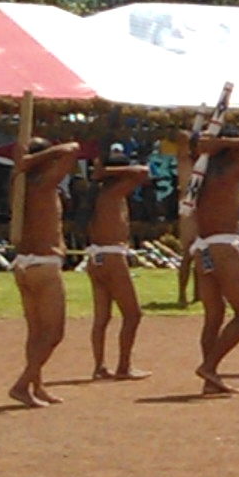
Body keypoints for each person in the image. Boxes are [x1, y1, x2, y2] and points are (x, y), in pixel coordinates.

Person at [188, 130, 239, 396]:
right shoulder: (226, 174)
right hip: (222, 246)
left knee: (214, 316)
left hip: (202, 248)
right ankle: (210, 367)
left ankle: (211, 380)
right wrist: (224, 143)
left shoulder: (199, 175)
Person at [6, 136, 83, 407]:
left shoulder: (19, 184)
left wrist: (27, 161)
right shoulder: (42, 183)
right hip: (43, 264)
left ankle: (36, 385)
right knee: (53, 333)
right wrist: (37, 159)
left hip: (23, 264)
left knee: (36, 331)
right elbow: (73, 148)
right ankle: (22, 383)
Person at [83, 146, 152, 381]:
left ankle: (99, 366)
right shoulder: (113, 192)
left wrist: (102, 172)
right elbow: (143, 172)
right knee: (133, 315)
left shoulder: (98, 194)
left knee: (102, 317)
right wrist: (108, 171)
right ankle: (124, 366)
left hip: (96, 258)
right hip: (112, 257)